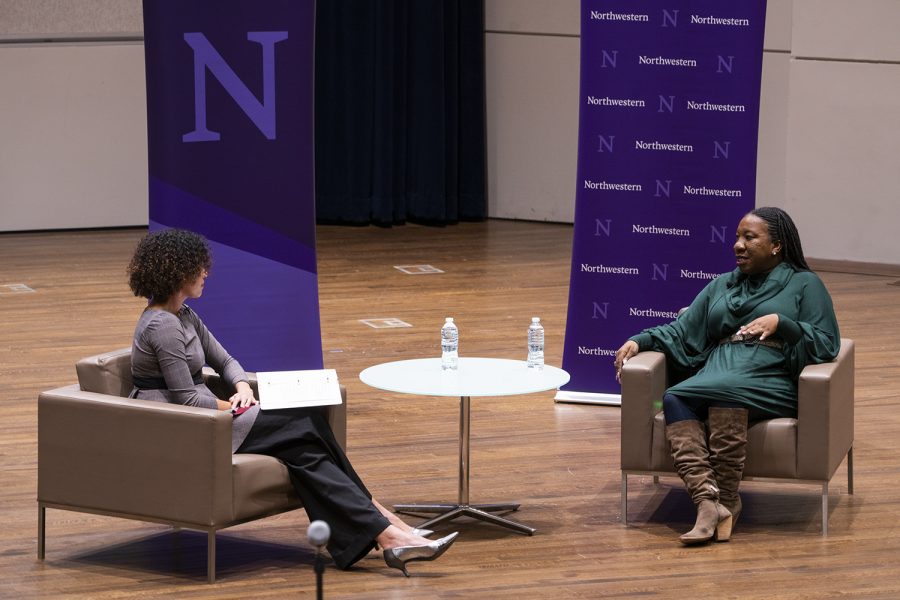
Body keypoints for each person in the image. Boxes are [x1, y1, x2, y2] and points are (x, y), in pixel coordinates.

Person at [126, 228, 457, 576]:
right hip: (187, 426)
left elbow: (226, 362)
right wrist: (240, 407)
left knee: (306, 451)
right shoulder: (161, 326)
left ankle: (388, 532)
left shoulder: (186, 316)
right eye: (199, 267)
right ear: (179, 272)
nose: (206, 273)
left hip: (215, 414)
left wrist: (241, 387)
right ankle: (388, 525)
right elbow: (187, 400)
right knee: (306, 425)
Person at [614, 207, 840, 545]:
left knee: (723, 393)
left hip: (770, 372)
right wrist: (640, 339)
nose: (738, 245)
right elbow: (682, 330)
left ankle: (724, 502)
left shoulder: (804, 284)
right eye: (737, 237)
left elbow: (827, 341)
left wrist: (783, 323)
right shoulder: (722, 285)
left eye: (750, 237)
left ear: (777, 245)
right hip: (721, 368)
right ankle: (710, 503)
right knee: (676, 397)